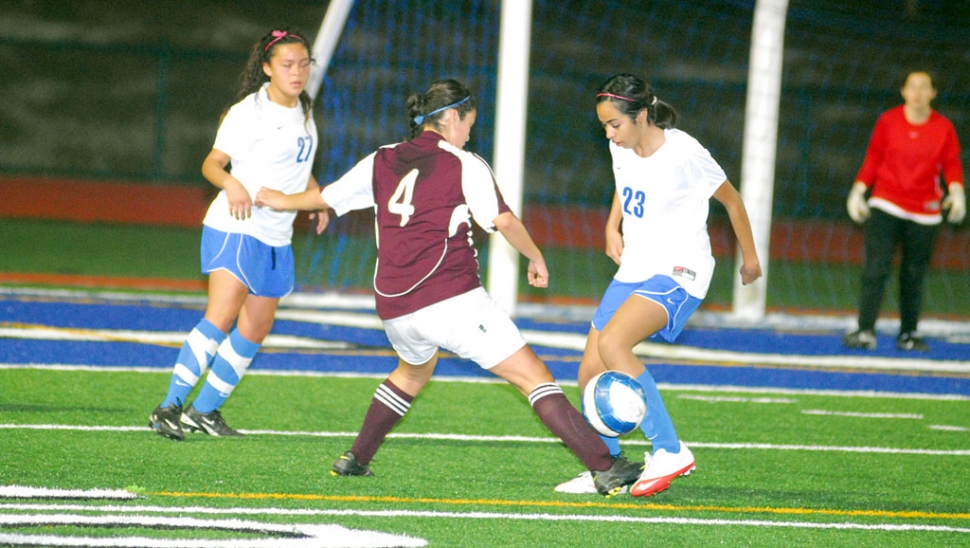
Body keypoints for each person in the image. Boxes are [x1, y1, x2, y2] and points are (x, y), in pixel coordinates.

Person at [255, 78, 640, 496]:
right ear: (453, 117)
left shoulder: (382, 158)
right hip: (451, 299)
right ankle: (605, 466)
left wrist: (275, 199)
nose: (469, 134)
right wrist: (535, 256)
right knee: (535, 377)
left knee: (411, 373)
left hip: (394, 307)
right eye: (468, 125)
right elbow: (503, 221)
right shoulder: (462, 162)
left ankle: (355, 458)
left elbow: (324, 197)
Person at [554, 73, 762, 497]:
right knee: (589, 371)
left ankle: (670, 450)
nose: (609, 134)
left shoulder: (684, 152)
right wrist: (613, 226)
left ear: (642, 115)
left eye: (615, 125)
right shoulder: (622, 147)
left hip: (681, 269)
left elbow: (733, 201)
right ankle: (610, 467)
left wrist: (752, 259)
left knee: (614, 345)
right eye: (604, 127)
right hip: (635, 266)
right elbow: (625, 184)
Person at [149, 28, 326, 441]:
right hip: (237, 225)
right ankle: (169, 407)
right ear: (267, 68)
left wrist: (314, 198)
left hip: (277, 234)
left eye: (303, 63)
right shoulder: (249, 112)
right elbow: (212, 164)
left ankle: (205, 410)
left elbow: (297, 162)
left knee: (256, 327)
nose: (297, 72)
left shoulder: (304, 107)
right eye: (287, 64)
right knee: (222, 315)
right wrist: (231, 184)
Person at [843, 70, 965, 353]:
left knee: (913, 274)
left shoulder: (944, 128)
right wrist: (859, 189)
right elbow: (874, 157)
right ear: (903, 91)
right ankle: (865, 331)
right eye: (913, 86)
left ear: (933, 93)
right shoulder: (888, 121)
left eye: (924, 87)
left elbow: (952, 164)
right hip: (886, 203)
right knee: (876, 267)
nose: (918, 92)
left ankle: (908, 334)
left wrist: (957, 191)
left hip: (925, 212)